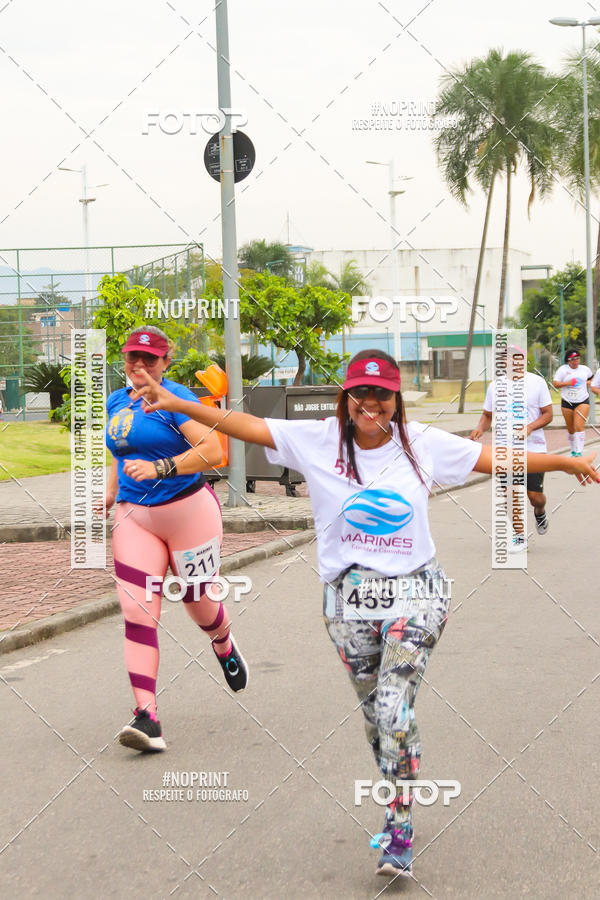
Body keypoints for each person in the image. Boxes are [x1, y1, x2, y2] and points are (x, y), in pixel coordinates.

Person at [132, 349, 597, 876]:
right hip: (346, 597)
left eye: (382, 393)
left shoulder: (420, 443)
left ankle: (400, 824)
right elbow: (247, 425)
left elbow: (501, 460)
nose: (371, 402)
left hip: (417, 590)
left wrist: (563, 461)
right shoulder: (319, 441)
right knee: (378, 716)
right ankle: (398, 788)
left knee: (395, 705)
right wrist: (174, 401)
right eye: (361, 392)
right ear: (346, 398)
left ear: (395, 399)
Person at [104, 325, 249, 754]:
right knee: (137, 609)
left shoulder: (176, 399)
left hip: (189, 513)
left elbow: (214, 452)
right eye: (134, 358)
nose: (141, 365)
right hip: (135, 517)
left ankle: (222, 643)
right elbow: (119, 450)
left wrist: (162, 467)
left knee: (198, 601)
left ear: (166, 363)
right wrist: (110, 490)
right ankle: (146, 717)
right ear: (126, 361)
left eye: (150, 359)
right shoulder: (115, 400)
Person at [470, 346, 553, 551]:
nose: (513, 362)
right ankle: (519, 536)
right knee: (509, 493)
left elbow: (548, 414)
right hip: (505, 450)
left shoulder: (537, 383)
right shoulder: (494, 387)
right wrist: (480, 428)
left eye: (517, 358)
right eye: (508, 359)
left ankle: (540, 511)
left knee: (534, 497)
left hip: (533, 449)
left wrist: (530, 427)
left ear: (523, 360)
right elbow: (488, 415)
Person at [553, 349, 593, 457]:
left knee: (579, 426)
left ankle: (579, 452)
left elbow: (591, 378)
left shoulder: (585, 369)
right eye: (573, 359)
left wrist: (589, 383)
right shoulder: (563, 370)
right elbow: (555, 384)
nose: (576, 361)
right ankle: (573, 450)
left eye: (577, 358)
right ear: (568, 360)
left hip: (582, 400)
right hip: (567, 401)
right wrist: (568, 383)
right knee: (571, 428)